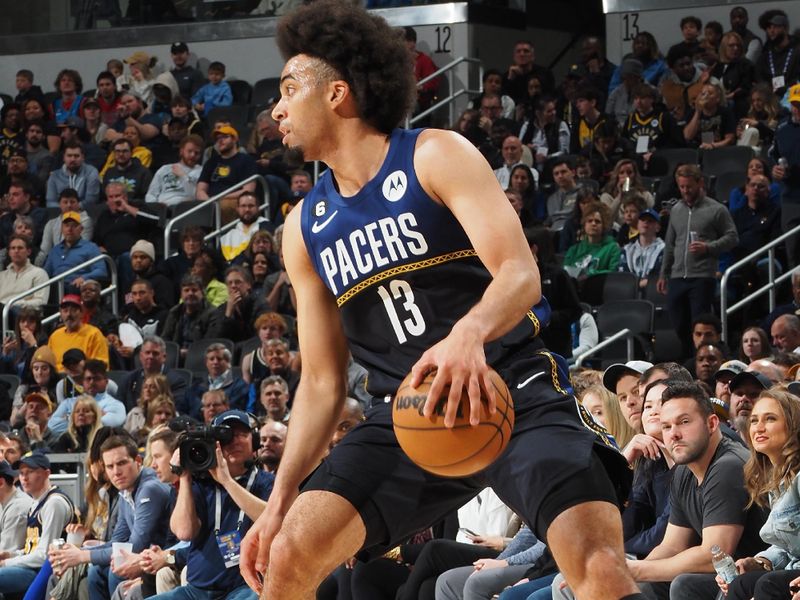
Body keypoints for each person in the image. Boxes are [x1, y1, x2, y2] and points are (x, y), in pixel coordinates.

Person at [239, 4, 638, 600]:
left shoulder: (434, 154)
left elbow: (519, 273)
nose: (277, 109)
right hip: (408, 414)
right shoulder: (302, 228)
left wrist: (468, 334)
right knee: (289, 554)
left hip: (511, 387)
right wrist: (278, 502)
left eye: (290, 89)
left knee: (599, 565)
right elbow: (322, 383)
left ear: (338, 95)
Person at [629, 382, 768, 600]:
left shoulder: (729, 466)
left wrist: (636, 570)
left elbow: (713, 555)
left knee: (684, 585)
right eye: (666, 427)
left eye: (684, 422)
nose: (673, 434)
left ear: (712, 424)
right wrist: (626, 573)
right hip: (725, 578)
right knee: (644, 585)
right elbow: (672, 546)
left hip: (755, 577)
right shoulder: (684, 471)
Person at [158, 410, 273, 600]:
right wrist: (185, 477)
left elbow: (271, 519)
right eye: (226, 436)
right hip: (196, 592)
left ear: (254, 440)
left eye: (241, 435)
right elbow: (184, 532)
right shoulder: (202, 485)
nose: (234, 441)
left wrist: (227, 480)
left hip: (244, 588)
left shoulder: (266, 482)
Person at [716, 389, 800, 600]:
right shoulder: (777, 481)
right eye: (754, 420)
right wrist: (761, 562)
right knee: (741, 583)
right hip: (793, 569)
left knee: (767, 584)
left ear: (794, 425)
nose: (759, 427)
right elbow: (789, 547)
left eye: (770, 419)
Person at [657, 164, 738, 356]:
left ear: (700, 183)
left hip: (702, 275)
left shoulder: (716, 209)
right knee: (678, 325)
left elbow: (732, 237)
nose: (685, 191)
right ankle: (690, 361)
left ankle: (702, 362)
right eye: (682, 187)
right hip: (677, 276)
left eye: (689, 186)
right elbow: (670, 244)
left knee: (699, 325)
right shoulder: (676, 209)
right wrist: (663, 273)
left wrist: (708, 247)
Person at [0, 452, 74, 597]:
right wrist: (10, 554)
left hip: (49, 571)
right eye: (21, 473)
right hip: (33, 568)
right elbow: (32, 548)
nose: (24, 478)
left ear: (47, 473)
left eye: (30, 472)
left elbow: (44, 556)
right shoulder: (36, 502)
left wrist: (6, 563)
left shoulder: (54, 503)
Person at [48, 359, 126, 436]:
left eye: (96, 378)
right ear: (83, 382)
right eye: (88, 379)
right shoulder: (68, 403)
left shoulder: (116, 405)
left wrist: (69, 417)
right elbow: (52, 427)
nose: (91, 382)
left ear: (106, 382)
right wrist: (96, 415)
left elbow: (102, 426)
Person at [770, 83, 800, 268]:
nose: (797, 109)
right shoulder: (782, 130)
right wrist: (775, 170)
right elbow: (774, 156)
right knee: (793, 253)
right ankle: (797, 296)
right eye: (795, 104)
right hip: (791, 198)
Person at [42, 212, 107, 292]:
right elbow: (45, 274)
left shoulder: (91, 247)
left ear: (81, 229)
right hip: (55, 287)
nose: (70, 229)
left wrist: (84, 278)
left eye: (74, 226)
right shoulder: (55, 250)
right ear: (62, 229)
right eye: (67, 226)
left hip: (77, 286)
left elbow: (101, 271)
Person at [161, 274, 217, 361]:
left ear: (202, 292)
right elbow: (165, 338)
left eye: (194, 290)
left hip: (201, 358)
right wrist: (175, 352)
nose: (190, 293)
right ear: (181, 294)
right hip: (176, 357)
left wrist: (190, 352)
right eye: (186, 290)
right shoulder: (174, 312)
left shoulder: (212, 313)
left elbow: (209, 343)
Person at [47, 295, 109, 372]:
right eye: (65, 311)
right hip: (58, 380)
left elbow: (102, 365)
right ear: (61, 314)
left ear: (82, 313)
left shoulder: (94, 334)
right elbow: (48, 364)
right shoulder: (55, 336)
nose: (69, 314)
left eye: (73, 310)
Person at [36, 188, 94, 267]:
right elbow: (44, 251)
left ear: (78, 203)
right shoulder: (50, 224)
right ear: (60, 204)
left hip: (77, 263)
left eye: (72, 202)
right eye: (65, 202)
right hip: (54, 262)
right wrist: (36, 268)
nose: (69, 205)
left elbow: (81, 247)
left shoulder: (85, 221)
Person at [145, 134, 203, 207]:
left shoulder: (201, 171)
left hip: (185, 208)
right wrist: (155, 207)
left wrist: (183, 176)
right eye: (189, 151)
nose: (192, 155)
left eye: (196, 153)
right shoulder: (165, 169)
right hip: (162, 208)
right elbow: (151, 194)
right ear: (181, 151)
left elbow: (194, 195)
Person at [45, 142, 101, 208]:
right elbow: (50, 202)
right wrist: (65, 209)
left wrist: (71, 208)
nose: (73, 159)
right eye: (69, 156)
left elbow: (91, 201)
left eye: (76, 156)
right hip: (60, 213)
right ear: (64, 158)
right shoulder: (54, 176)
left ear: (83, 157)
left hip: (84, 212)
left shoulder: (91, 172)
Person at [0, 235, 49, 309]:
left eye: (20, 248)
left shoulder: (39, 273)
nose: (16, 251)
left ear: (28, 252)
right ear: (9, 253)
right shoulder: (2, 276)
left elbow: (41, 301)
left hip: (23, 314)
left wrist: (13, 304)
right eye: (13, 248)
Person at [220, 192, 270, 262]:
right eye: (243, 206)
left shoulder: (267, 227)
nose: (247, 209)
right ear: (237, 209)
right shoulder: (228, 235)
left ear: (258, 208)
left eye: (251, 206)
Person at [621, 209, 664, 290]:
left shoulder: (664, 250)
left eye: (650, 221)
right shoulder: (627, 250)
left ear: (658, 227)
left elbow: (661, 276)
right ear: (637, 225)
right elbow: (622, 276)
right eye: (642, 220)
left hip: (653, 293)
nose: (645, 222)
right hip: (629, 293)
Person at [0, 460, 33, 555]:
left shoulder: (18, 508)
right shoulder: (4, 502)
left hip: (18, 565)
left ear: (1, 483)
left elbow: (5, 553)